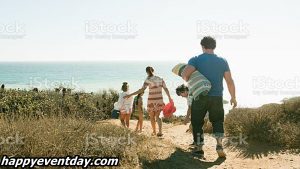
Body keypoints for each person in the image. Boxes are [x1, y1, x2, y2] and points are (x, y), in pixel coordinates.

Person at [182, 36, 237, 158]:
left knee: (197, 122)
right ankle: (219, 145)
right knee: (217, 121)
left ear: (202, 46)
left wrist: (193, 80)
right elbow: (229, 81)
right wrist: (233, 97)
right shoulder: (223, 61)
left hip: (200, 96)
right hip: (217, 97)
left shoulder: (196, 59)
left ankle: (199, 148)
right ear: (214, 46)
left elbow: (185, 75)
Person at [125, 66, 172, 137]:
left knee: (152, 117)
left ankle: (154, 131)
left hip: (151, 101)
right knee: (158, 116)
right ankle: (160, 131)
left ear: (147, 72)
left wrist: (130, 94)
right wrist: (169, 98)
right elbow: (166, 89)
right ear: (153, 70)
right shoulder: (160, 79)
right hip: (159, 100)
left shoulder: (147, 80)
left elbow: (141, 90)